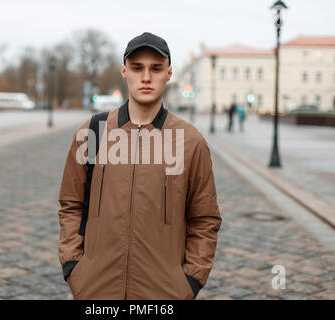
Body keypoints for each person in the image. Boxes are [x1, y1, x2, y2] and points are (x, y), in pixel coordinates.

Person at [58, 32, 222, 300]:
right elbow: (71, 205)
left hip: (164, 294)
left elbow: (204, 219)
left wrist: (190, 281)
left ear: (168, 74)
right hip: (96, 291)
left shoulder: (190, 142)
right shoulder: (92, 133)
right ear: (125, 71)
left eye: (156, 68)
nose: (146, 77)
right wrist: (75, 267)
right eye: (137, 68)